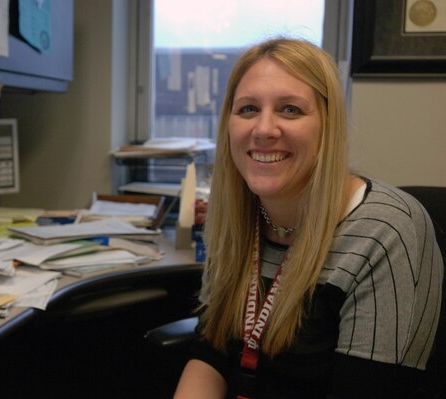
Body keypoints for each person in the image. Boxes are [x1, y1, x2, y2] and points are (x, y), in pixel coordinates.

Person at [174, 38, 443, 398]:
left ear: (327, 126)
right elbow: (211, 351)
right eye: (249, 109)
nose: (264, 129)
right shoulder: (238, 217)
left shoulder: (386, 231)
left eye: (290, 110)